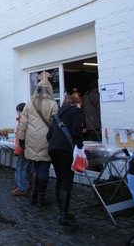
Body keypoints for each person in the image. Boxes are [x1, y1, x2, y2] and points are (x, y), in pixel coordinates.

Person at [18, 79, 59, 207]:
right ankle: (40, 198)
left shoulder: (29, 104)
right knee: (44, 168)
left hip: (31, 139)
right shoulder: (53, 104)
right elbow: (56, 125)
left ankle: (33, 195)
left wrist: (21, 140)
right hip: (46, 140)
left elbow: (22, 124)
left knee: (34, 166)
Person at [47, 95, 84, 231]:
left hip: (53, 149)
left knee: (60, 180)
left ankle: (62, 212)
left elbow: (48, 136)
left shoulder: (58, 115)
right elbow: (76, 131)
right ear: (76, 103)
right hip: (66, 150)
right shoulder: (76, 111)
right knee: (67, 181)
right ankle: (63, 216)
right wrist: (79, 146)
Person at [11, 102, 30, 196]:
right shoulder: (24, 121)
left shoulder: (23, 121)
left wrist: (18, 149)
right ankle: (24, 186)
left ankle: (22, 187)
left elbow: (21, 137)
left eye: (19, 111)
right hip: (26, 148)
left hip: (23, 149)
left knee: (20, 168)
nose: (18, 113)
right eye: (17, 111)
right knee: (25, 168)